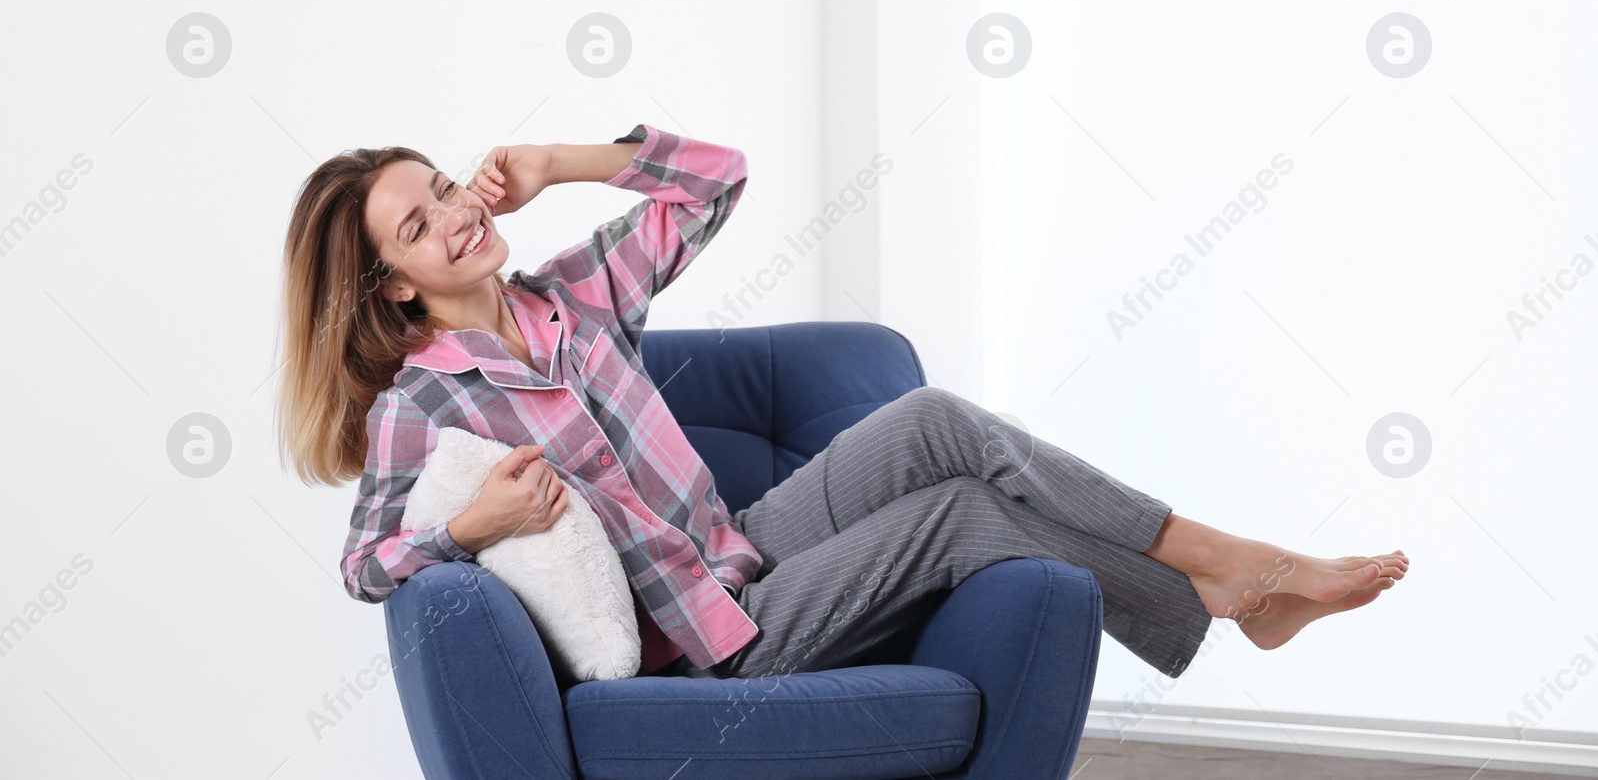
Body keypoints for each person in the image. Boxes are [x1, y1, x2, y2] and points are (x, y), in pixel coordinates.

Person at [275, 122, 1407, 683]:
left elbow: (717, 176)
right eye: (415, 227)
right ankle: (1230, 581)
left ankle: (1219, 566)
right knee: (959, 513)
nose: (450, 217)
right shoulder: (425, 400)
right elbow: (365, 564)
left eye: (438, 189)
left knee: (936, 424)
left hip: (745, 551)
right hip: (707, 639)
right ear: (391, 282)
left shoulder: (572, 293)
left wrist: (564, 160)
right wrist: (471, 528)